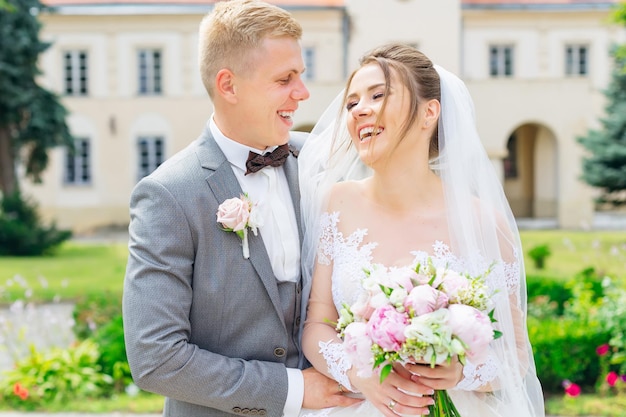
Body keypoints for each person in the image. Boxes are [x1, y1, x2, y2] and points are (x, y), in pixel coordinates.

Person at [122, 1, 360, 416]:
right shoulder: (168, 194)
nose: (302, 93)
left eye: (300, 76)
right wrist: (292, 390)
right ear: (228, 86)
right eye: (284, 79)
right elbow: (155, 358)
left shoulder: (319, 163)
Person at [298, 43, 546, 416]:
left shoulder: (484, 223)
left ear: (429, 112)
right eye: (352, 103)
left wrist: (462, 371)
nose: (360, 109)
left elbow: (516, 355)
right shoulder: (335, 204)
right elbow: (316, 323)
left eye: (378, 95)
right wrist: (359, 374)